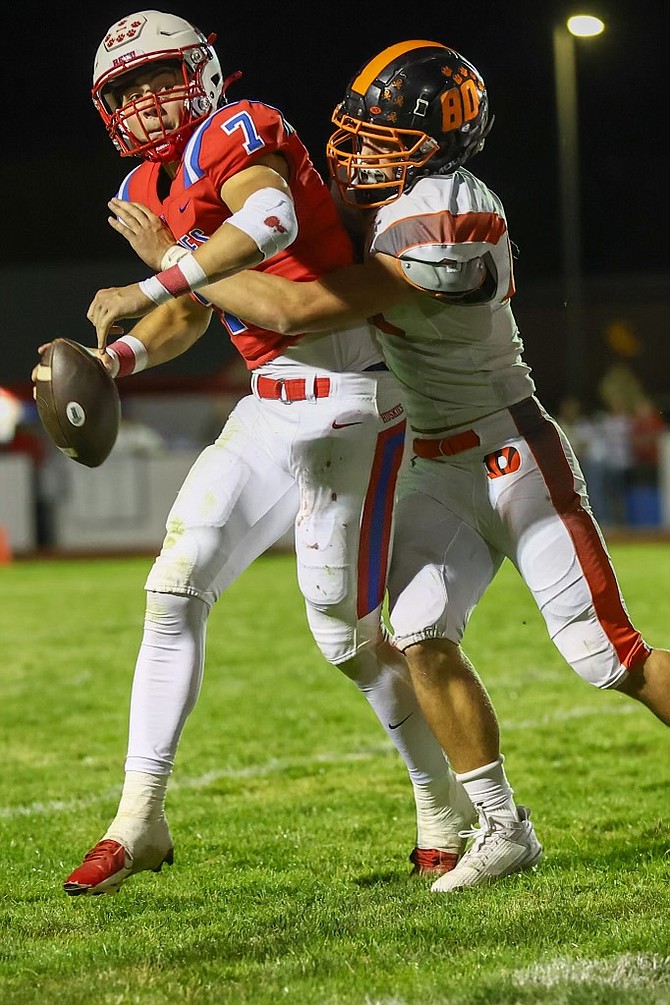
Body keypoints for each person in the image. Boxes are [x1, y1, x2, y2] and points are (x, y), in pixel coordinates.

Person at [109, 39, 670, 892]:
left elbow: (297, 305)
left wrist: (169, 269)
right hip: (431, 461)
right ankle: (500, 825)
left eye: (384, 141)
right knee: (415, 637)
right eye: (355, 131)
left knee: (605, 654)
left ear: (434, 150)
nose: (356, 152)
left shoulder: (448, 212)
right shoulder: (364, 203)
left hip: (509, 448)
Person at [53, 14, 483, 896]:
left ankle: (444, 808)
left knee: (344, 634)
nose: (144, 101)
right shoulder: (150, 179)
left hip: (354, 400)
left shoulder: (239, 125)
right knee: (175, 583)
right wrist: (119, 357)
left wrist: (149, 277)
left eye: (157, 77)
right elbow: (196, 307)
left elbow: (271, 220)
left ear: (202, 70)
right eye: (126, 89)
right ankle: (139, 819)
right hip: (269, 406)